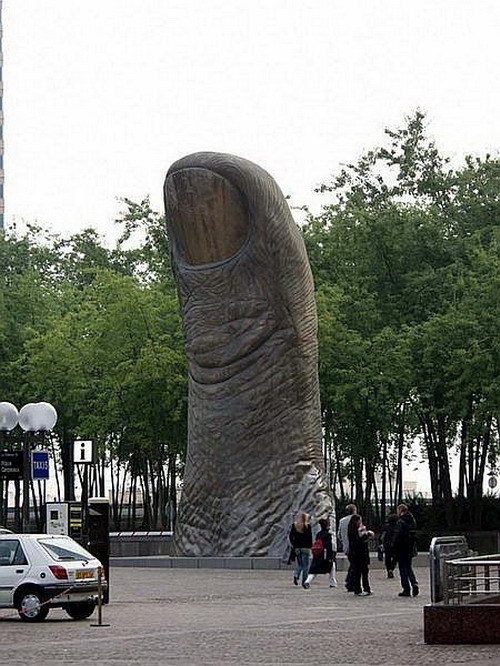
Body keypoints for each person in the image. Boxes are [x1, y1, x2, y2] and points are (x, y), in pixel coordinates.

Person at [392, 503, 419, 597]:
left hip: (402, 548)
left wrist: (393, 545)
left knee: (402, 569)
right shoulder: (412, 520)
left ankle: (406, 589)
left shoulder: (400, 522)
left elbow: (397, 535)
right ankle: (414, 583)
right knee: (409, 567)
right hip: (410, 547)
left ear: (400, 511)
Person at [305, 518, 337, 588]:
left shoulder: (318, 534)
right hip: (325, 555)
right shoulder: (328, 535)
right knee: (332, 567)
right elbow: (329, 547)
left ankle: (307, 581)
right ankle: (332, 583)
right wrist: (330, 557)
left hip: (317, 555)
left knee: (314, 571)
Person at [347, 514, 374, 596]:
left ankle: (366, 588)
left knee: (363, 571)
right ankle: (358, 589)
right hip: (358, 554)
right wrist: (365, 535)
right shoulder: (353, 531)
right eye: (359, 521)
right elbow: (357, 541)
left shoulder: (357, 529)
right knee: (358, 572)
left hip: (360, 553)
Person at [289, 510, 313, 589]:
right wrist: (310, 547)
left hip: (297, 548)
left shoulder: (295, 525)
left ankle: (296, 575)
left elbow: (291, 536)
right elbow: (310, 538)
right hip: (306, 548)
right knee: (305, 566)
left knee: (300, 564)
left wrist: (294, 545)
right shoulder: (307, 526)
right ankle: (304, 582)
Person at [337, 503, 357, 591]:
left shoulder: (342, 521)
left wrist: (343, 542)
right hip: (355, 545)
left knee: (353, 563)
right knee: (355, 565)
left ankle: (349, 582)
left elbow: (339, 534)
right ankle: (349, 582)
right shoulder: (356, 519)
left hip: (346, 546)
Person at [379, 513, 398, 578]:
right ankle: (391, 568)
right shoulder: (397, 527)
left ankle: (389, 570)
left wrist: (381, 543)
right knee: (395, 558)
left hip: (387, 545)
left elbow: (382, 537)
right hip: (395, 545)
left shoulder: (386, 527)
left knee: (387, 558)